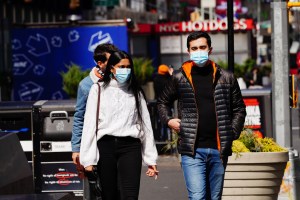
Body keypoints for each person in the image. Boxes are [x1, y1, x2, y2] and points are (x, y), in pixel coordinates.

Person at [157, 31, 246, 200]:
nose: (199, 51)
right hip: (192, 149)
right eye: (194, 48)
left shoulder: (226, 78)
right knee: (198, 197)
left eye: (202, 47)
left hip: (218, 149)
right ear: (189, 51)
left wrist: (231, 132)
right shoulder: (180, 77)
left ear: (210, 49)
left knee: (214, 197)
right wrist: (169, 121)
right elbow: (162, 102)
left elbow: (239, 109)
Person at [80, 50, 159, 200]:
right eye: (121, 67)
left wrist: (150, 159)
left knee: (130, 195)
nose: (125, 71)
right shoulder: (97, 89)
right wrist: (88, 160)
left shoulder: (136, 91)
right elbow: (90, 124)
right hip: (105, 146)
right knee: (109, 195)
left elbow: (145, 125)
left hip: (130, 147)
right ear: (111, 68)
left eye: (128, 67)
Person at [71, 43, 119, 163]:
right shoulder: (86, 85)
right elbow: (79, 118)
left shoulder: (122, 81)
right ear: (100, 63)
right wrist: (76, 148)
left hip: (122, 142)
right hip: (98, 144)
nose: (115, 64)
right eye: (111, 60)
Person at [153, 64, 173, 141]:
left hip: (158, 103)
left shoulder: (156, 79)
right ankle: (168, 141)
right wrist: (171, 74)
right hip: (168, 103)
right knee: (168, 122)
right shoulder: (168, 80)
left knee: (160, 123)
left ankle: (161, 140)